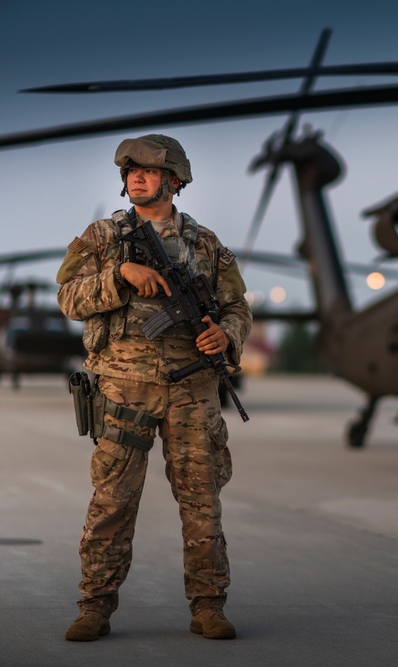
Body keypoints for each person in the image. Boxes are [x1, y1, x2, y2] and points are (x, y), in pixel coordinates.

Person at [56, 134, 252, 642]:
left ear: (175, 180)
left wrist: (225, 334)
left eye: (147, 170)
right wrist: (120, 275)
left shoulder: (206, 244)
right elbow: (68, 298)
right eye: (129, 171)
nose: (136, 177)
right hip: (125, 390)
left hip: (194, 391)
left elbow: (238, 307)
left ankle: (208, 605)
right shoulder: (102, 237)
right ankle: (94, 607)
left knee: (202, 503)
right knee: (113, 503)